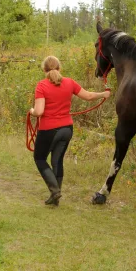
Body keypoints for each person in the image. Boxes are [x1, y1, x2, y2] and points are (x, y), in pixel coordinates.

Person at [29, 56, 111, 205]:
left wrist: (32, 110)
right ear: (59, 68)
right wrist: (103, 94)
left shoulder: (42, 86)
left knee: (40, 159)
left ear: (44, 70)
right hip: (67, 128)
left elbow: (39, 111)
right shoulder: (69, 82)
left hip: (49, 129)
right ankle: (55, 198)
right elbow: (88, 96)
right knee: (57, 160)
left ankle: (55, 191)